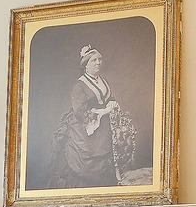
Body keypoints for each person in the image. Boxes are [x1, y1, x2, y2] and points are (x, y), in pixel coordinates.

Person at [48, 45, 137, 188]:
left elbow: (109, 97)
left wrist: (112, 103)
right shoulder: (79, 85)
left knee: (107, 159)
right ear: (85, 65)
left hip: (104, 128)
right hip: (85, 129)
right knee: (86, 161)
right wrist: (100, 113)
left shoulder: (102, 80)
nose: (98, 63)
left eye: (99, 59)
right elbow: (80, 110)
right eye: (94, 60)